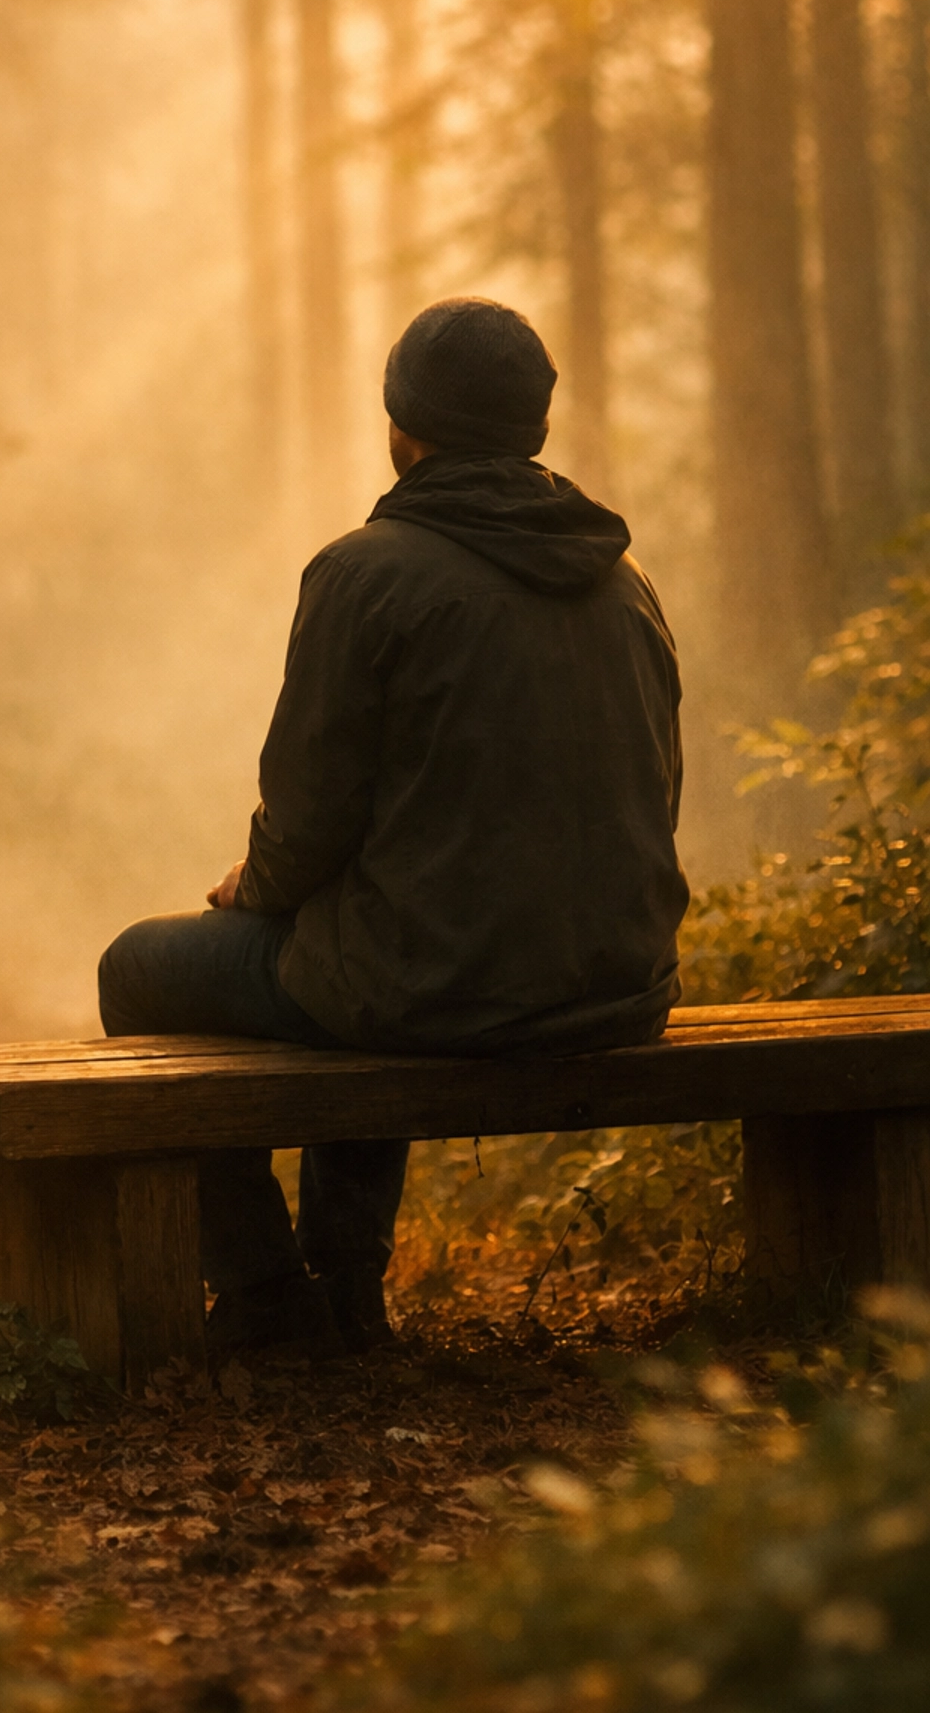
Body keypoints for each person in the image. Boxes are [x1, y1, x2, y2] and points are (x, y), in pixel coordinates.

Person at [97, 296, 689, 1359]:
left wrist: (254, 884)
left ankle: (271, 1297)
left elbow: (310, 820)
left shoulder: (365, 573)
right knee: (378, 943)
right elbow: (655, 789)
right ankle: (349, 1285)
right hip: (619, 986)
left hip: (437, 988)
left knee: (138, 969)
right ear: (535, 431)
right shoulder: (627, 582)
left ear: (400, 426)